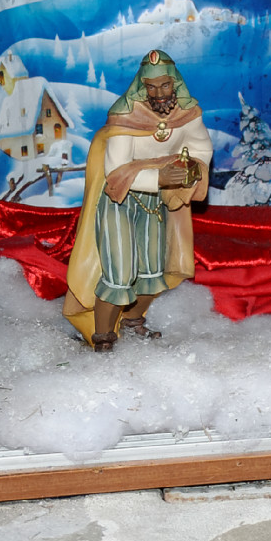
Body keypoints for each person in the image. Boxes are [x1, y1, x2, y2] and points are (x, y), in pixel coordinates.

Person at [63, 50, 212, 350]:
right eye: (151, 87)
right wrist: (159, 178)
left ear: (174, 83)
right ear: (142, 86)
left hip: (155, 203)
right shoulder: (126, 114)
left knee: (151, 272)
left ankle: (133, 322)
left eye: (165, 85)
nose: (159, 93)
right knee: (119, 272)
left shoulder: (187, 113)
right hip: (120, 200)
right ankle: (103, 336)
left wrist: (190, 169)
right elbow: (115, 170)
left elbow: (201, 149)